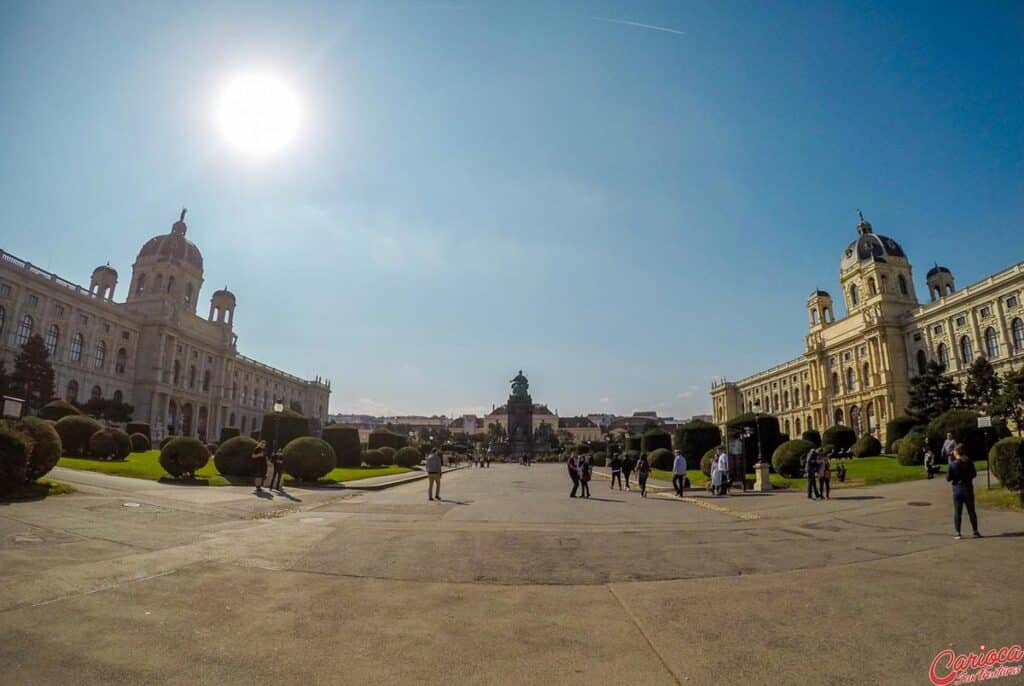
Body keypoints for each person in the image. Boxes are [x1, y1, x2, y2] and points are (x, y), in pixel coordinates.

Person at [946, 443, 981, 540]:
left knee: (958, 512)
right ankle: (975, 531)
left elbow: (948, 478)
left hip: (957, 489)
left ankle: (958, 533)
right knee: (971, 511)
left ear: (956, 452)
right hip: (968, 488)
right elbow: (974, 474)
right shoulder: (969, 462)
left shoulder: (953, 464)